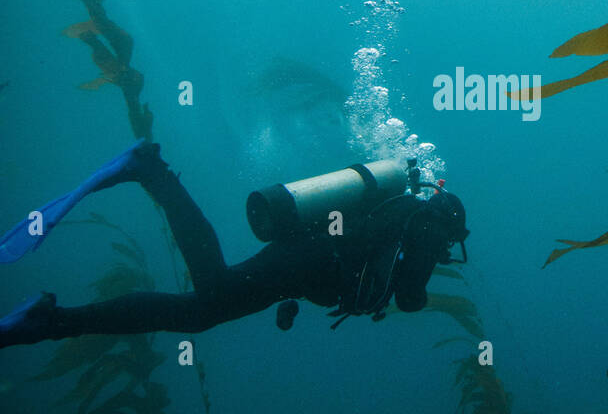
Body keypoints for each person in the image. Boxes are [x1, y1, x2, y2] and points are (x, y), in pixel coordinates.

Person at [0, 141, 469, 348]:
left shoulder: (404, 215)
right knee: (208, 297)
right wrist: (426, 267)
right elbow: (409, 299)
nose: (449, 247)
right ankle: (150, 170)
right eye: (454, 239)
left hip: (306, 256)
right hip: (310, 257)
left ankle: (53, 320)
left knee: (202, 309)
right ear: (450, 222)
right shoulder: (428, 226)